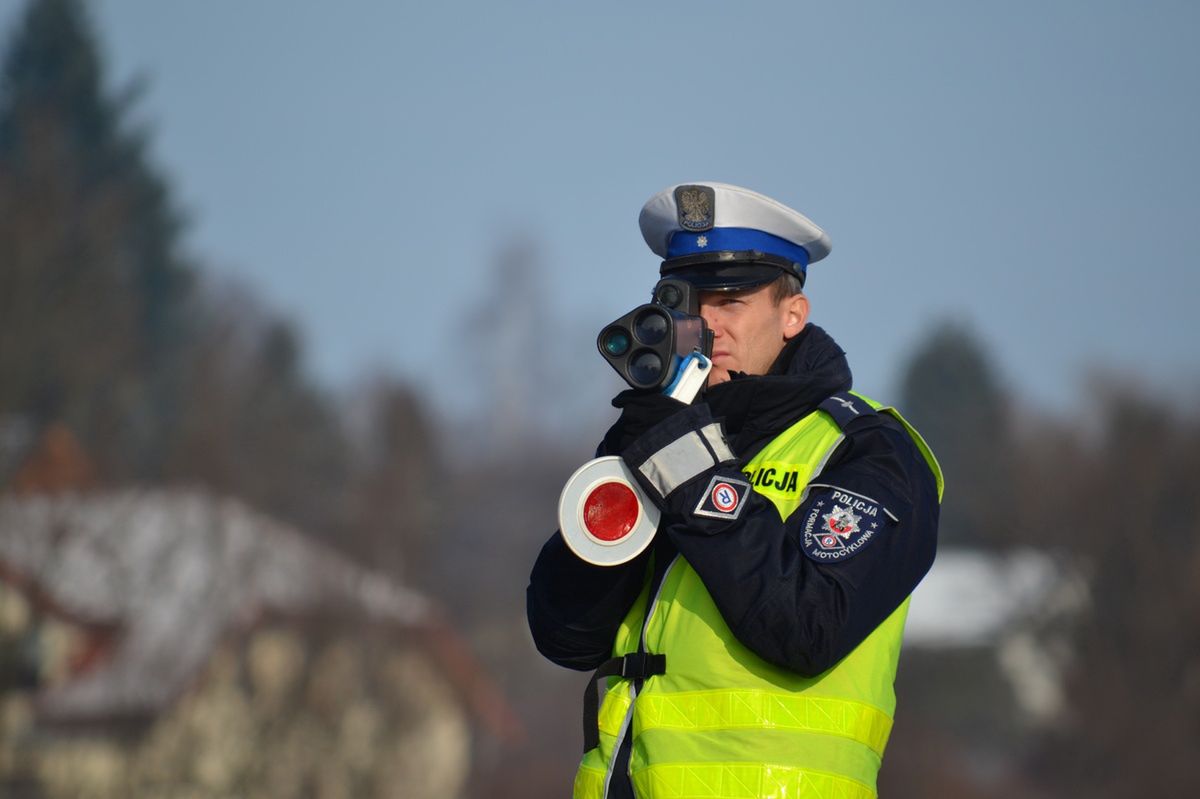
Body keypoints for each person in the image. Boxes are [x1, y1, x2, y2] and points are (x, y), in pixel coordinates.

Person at [527, 182, 943, 799]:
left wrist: (686, 466)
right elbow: (566, 635)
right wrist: (633, 453)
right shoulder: (664, 434)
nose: (707, 325)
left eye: (730, 301)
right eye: (689, 302)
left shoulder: (866, 448)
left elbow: (806, 627)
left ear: (792, 314)